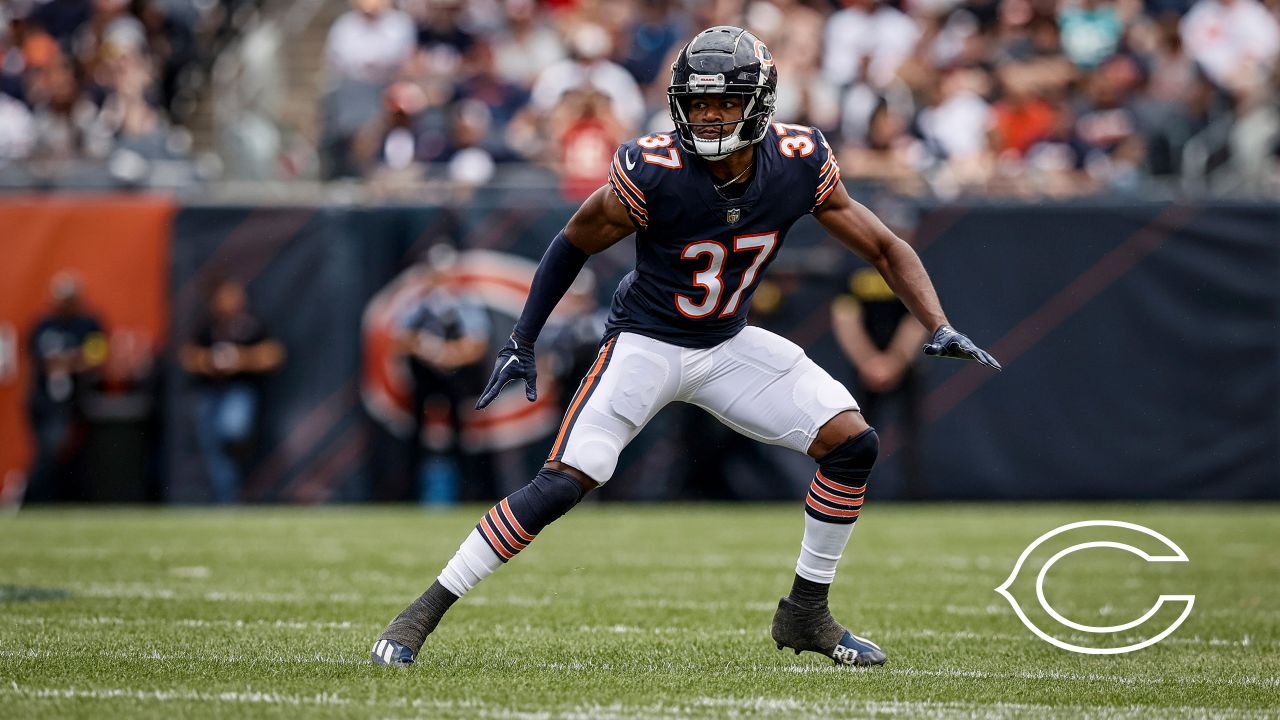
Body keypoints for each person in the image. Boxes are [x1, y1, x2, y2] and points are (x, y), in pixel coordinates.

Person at [371, 26, 1000, 669]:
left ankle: (807, 613)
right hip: (645, 341)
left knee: (852, 442)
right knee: (568, 478)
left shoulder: (799, 160)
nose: (709, 115)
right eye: (698, 103)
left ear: (759, 101)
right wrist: (522, 337)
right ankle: (420, 613)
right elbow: (572, 241)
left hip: (727, 343)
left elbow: (886, 247)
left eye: (725, 101)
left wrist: (936, 322)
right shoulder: (656, 169)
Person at [179, 280, 284, 503]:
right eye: (226, 296)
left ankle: (236, 487)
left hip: (238, 389)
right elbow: (188, 356)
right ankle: (226, 499)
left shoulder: (251, 324)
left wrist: (240, 359)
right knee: (213, 451)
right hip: (209, 393)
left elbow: (273, 354)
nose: (232, 301)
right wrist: (210, 361)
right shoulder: (207, 325)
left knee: (232, 430)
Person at [25, 273, 107, 503]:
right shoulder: (43, 324)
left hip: (78, 399)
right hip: (46, 399)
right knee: (48, 452)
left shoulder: (89, 324)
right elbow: (41, 360)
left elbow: (97, 357)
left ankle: (72, 500)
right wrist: (75, 359)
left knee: (77, 455)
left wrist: (70, 361)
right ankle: (39, 501)